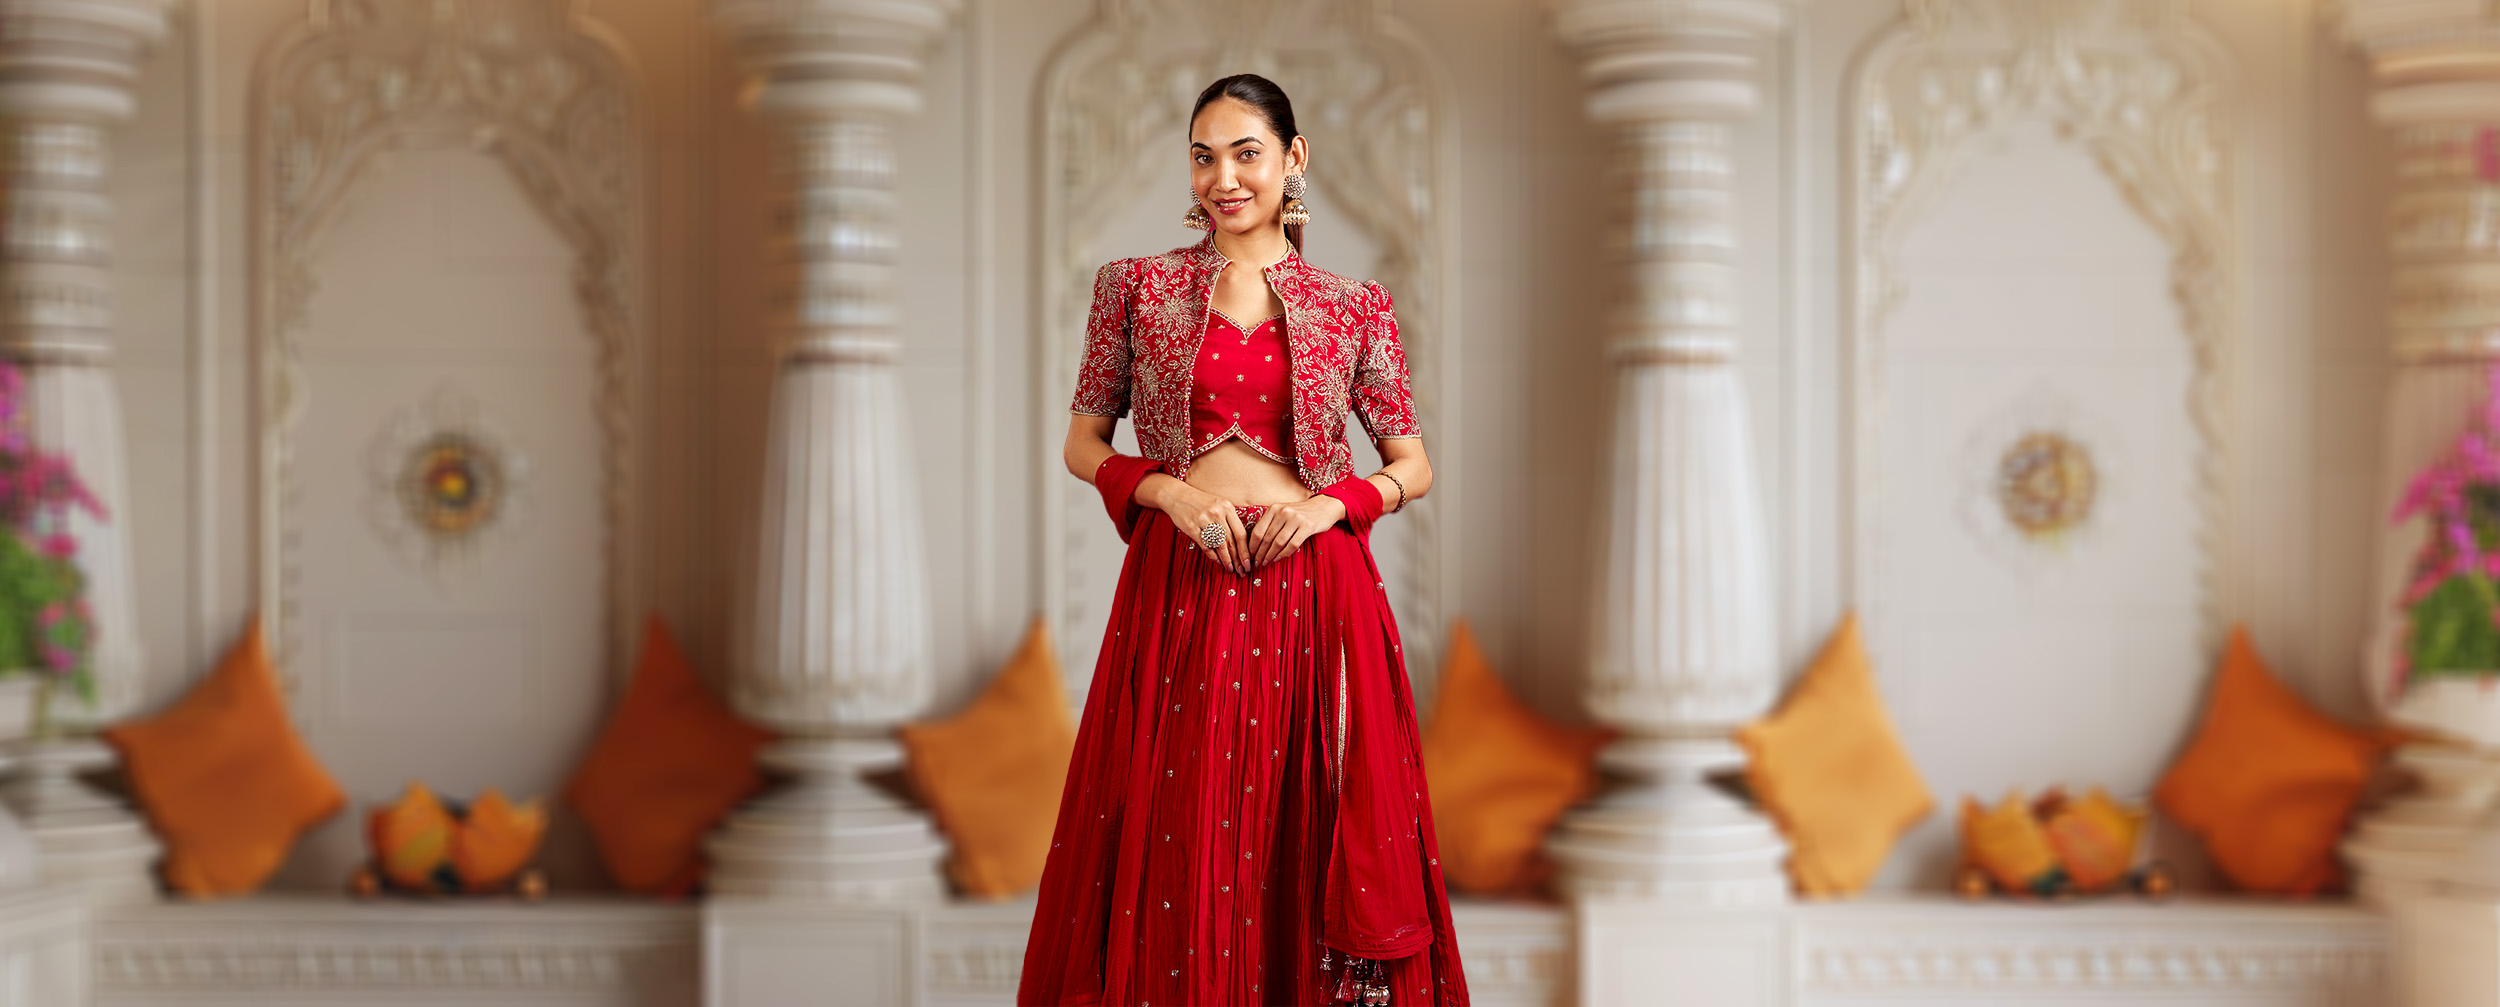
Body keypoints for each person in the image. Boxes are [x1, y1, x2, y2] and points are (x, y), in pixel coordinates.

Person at [1018, 73, 1469, 1007]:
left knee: (1296, 835)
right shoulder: (1136, 289)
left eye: (1245, 152)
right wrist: (1168, 497)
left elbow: (1412, 464)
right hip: (1180, 592)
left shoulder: (1354, 302)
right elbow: (1081, 443)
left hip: (1313, 597)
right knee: (1180, 833)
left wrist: (1334, 504)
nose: (1222, 177)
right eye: (1203, 155)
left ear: (1294, 160)